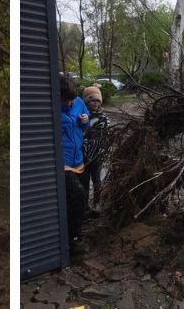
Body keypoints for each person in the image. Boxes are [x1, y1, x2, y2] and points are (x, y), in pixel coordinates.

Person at [59, 74, 89, 254]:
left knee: (77, 200)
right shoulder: (53, 107)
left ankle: (74, 233)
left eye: (72, 100)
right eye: (65, 100)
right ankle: (74, 238)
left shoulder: (78, 102)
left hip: (79, 161)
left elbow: (85, 126)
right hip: (63, 163)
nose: (70, 103)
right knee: (78, 195)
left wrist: (85, 121)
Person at [81, 85, 110, 216]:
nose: (95, 103)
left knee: (97, 180)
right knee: (84, 181)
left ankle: (97, 203)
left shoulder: (103, 118)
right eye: (92, 100)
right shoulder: (83, 117)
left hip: (98, 155)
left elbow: (106, 136)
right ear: (86, 102)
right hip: (84, 155)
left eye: (98, 101)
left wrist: (103, 149)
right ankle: (84, 206)